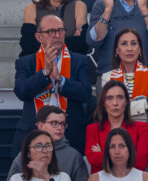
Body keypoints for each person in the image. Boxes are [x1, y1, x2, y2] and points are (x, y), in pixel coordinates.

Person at [15, 9, 94, 156]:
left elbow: (85, 93)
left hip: (70, 136)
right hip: (33, 135)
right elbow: (21, 92)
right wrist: (44, 73)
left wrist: (60, 79)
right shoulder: (26, 62)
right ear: (38, 37)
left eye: (60, 30)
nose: (57, 35)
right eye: (50, 31)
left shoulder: (79, 60)